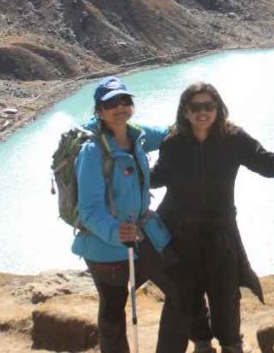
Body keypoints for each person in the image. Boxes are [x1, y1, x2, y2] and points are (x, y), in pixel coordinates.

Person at [151, 82, 274, 353]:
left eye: (208, 106)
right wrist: (125, 168)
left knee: (225, 294)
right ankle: (201, 345)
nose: (202, 112)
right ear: (184, 111)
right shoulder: (174, 143)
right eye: (195, 107)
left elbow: (271, 165)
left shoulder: (233, 139)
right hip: (180, 232)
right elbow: (157, 177)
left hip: (220, 232)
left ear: (218, 108)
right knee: (189, 291)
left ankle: (231, 345)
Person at [72, 76, 179, 352]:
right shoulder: (92, 152)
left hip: (145, 236)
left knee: (181, 289)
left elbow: (170, 133)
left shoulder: (136, 134)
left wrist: (199, 121)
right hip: (107, 247)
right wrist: (115, 231)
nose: (120, 107)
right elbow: (89, 209)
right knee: (113, 313)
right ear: (99, 110)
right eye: (111, 103)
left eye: (125, 100)